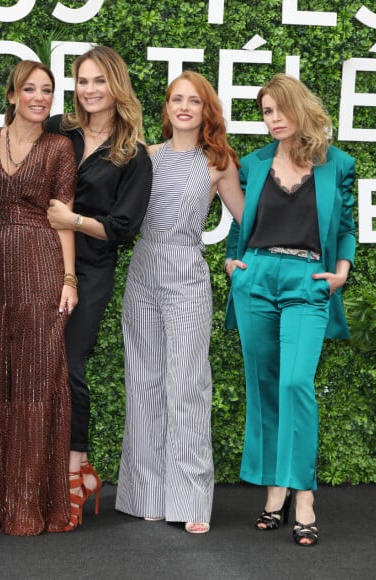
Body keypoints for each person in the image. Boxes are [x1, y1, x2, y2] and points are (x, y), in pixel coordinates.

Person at [223, 74, 356, 547]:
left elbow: (344, 226)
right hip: (256, 276)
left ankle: (304, 495)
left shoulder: (336, 164)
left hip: (307, 280)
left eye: (280, 109)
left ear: (300, 109)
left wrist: (341, 269)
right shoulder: (256, 164)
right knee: (263, 387)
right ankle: (274, 490)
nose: (273, 119)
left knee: (296, 382)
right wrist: (232, 262)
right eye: (265, 112)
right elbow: (244, 224)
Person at [114, 71, 244, 534]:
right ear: (166, 108)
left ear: (206, 109)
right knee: (144, 380)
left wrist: (237, 260)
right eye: (176, 99)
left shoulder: (219, 161)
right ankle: (148, 493)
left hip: (187, 271)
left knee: (188, 384)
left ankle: (189, 498)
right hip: (144, 270)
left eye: (194, 100)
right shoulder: (145, 156)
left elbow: (246, 219)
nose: (184, 107)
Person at [0, 61, 78, 536]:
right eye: (30, 89)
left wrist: (69, 280)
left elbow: (63, 218)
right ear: (10, 96)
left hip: (41, 265)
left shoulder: (58, 147)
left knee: (34, 381)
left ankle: (30, 502)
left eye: (47, 90)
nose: (39, 97)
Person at [45, 45, 152, 530]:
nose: (89, 90)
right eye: (82, 81)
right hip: (37, 263)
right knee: (37, 364)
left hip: (90, 271)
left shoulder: (134, 154)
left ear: (116, 86)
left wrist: (75, 220)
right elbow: (16, 151)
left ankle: (75, 468)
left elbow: (124, 227)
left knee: (70, 363)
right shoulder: (58, 130)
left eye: (98, 81)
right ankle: (52, 470)